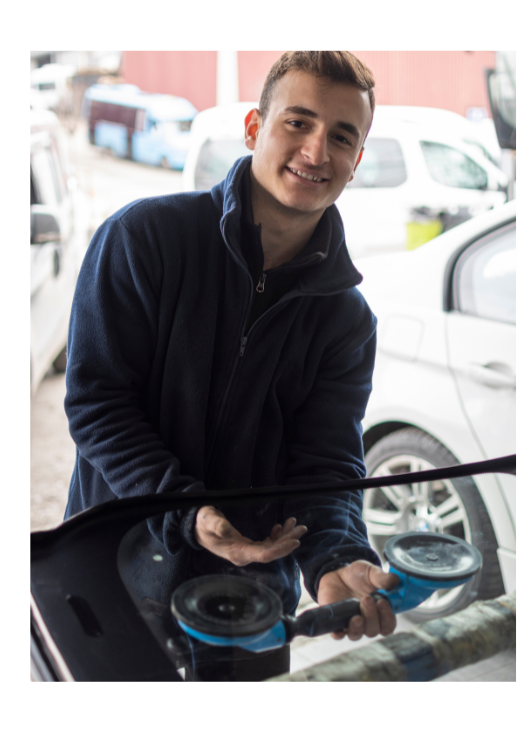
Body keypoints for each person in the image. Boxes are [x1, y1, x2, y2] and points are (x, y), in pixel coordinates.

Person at [65, 51, 397, 681]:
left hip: (250, 602)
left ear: (357, 161)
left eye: (342, 135)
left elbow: (324, 462)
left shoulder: (347, 320)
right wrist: (187, 513)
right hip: (110, 573)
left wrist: (336, 556)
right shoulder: (143, 240)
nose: (317, 150)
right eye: (297, 122)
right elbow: (97, 402)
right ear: (253, 129)